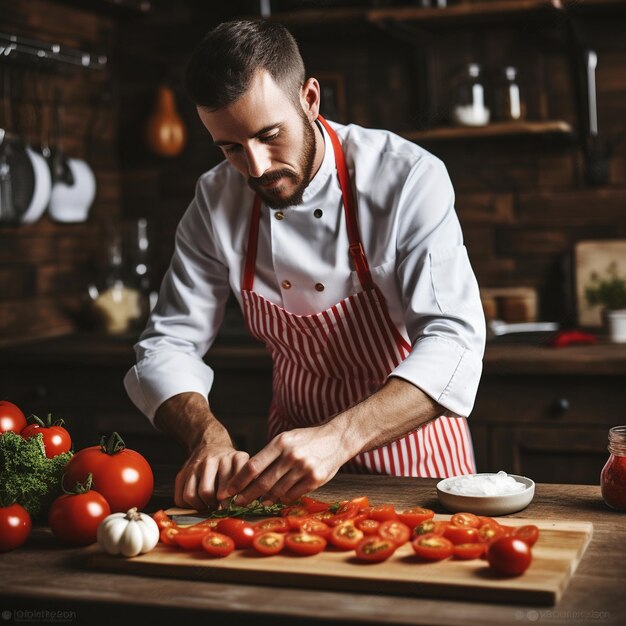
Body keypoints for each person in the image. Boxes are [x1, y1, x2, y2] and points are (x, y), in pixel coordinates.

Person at [124, 19, 486, 512]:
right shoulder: (215, 199)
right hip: (289, 476)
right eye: (230, 147)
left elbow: (454, 341)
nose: (255, 167)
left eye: (269, 135)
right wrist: (206, 436)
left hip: (418, 466)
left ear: (310, 99)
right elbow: (168, 342)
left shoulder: (407, 177)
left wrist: (339, 437)